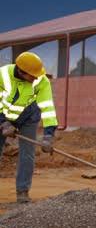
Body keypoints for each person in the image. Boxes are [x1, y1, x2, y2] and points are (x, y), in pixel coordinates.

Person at [0, 52, 58, 203]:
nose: (36, 78)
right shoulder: (3, 75)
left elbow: (48, 107)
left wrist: (48, 135)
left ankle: (22, 192)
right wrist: (4, 123)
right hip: (3, 116)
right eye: (32, 75)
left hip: (28, 117)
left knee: (28, 153)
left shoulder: (41, 81)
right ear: (20, 71)